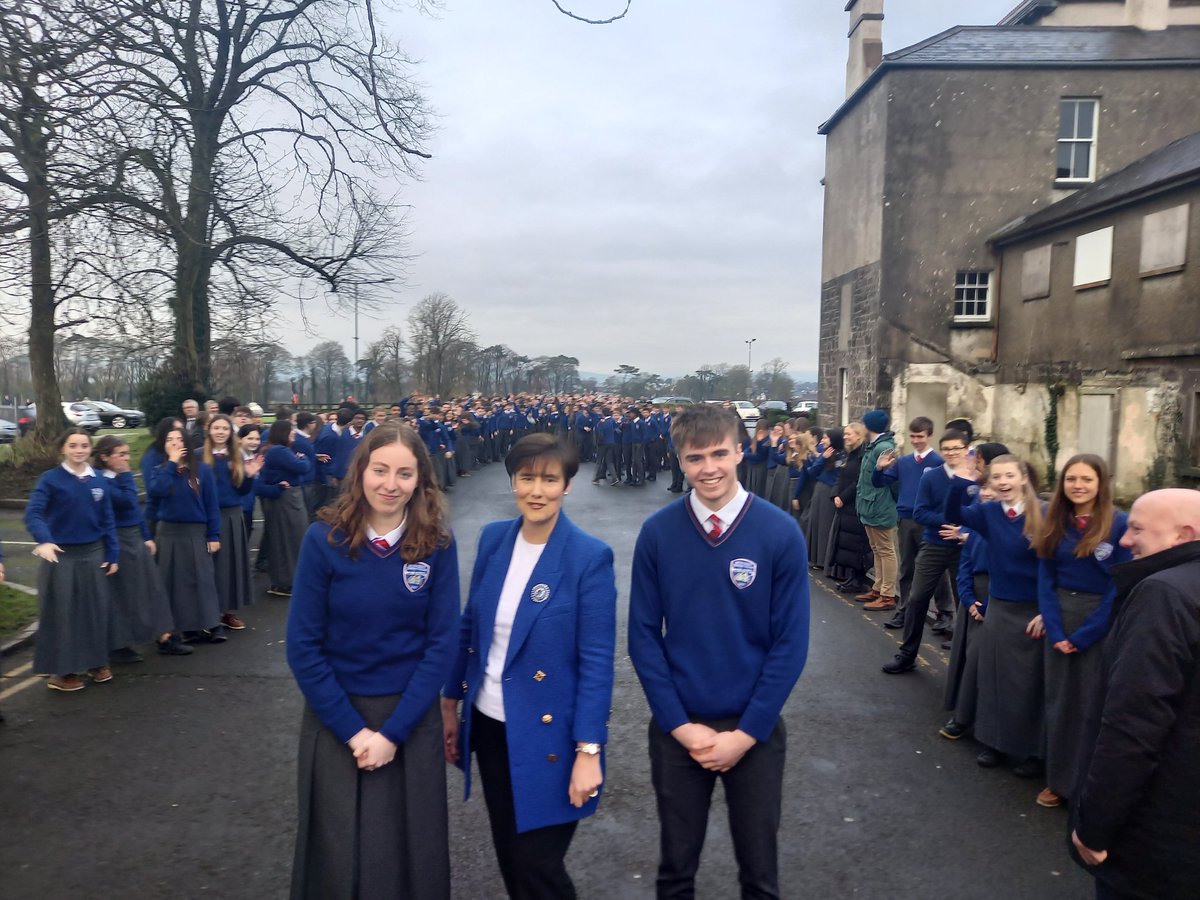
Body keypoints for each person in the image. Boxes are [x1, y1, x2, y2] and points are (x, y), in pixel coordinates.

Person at [628, 404, 810, 899]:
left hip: (754, 731)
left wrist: (746, 733)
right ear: (680, 460)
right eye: (694, 457)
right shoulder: (658, 533)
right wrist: (680, 725)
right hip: (679, 730)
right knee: (675, 869)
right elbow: (643, 636)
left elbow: (791, 643)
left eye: (718, 453)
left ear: (740, 451)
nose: (708, 467)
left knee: (759, 873)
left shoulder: (779, 532)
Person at [287, 424, 460, 900]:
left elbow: (441, 645)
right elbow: (303, 646)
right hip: (336, 718)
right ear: (359, 470)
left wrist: (393, 733)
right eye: (379, 469)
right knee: (336, 855)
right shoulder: (324, 540)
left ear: (420, 480)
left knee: (409, 854)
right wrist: (354, 731)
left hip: (409, 719)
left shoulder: (438, 544)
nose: (390, 483)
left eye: (404, 473)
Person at [442, 434, 617, 899]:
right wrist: (449, 704)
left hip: (551, 736)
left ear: (567, 486)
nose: (536, 490)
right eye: (526, 478)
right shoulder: (493, 539)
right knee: (512, 861)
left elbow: (597, 663)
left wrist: (589, 752)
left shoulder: (588, 557)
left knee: (538, 866)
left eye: (549, 479)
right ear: (513, 481)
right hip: (492, 726)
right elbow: (470, 627)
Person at [1069, 488, 1200, 900]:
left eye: (1138, 529)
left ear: (1184, 534)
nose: (1125, 540)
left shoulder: (1163, 594)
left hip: (1155, 834)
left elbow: (1133, 725)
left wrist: (1094, 826)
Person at [1033, 455, 1129, 809]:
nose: (1078, 486)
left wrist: (1084, 635)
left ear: (1101, 483)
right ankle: (1057, 780)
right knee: (1059, 701)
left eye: (1086, 479)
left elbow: (1119, 588)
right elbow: (1045, 577)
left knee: (1091, 704)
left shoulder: (1119, 525)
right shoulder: (1053, 519)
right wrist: (1056, 627)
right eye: (1071, 478)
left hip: (1098, 621)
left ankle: (1088, 784)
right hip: (1059, 614)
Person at [946, 454, 1046, 776]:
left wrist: (1047, 610)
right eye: (997, 477)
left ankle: (1032, 751)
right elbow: (950, 514)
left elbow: (1054, 565)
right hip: (1000, 605)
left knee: (1032, 682)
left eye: (1009, 476)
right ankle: (994, 742)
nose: (1003, 483)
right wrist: (960, 480)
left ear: (1024, 478)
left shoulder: (1043, 512)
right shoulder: (988, 513)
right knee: (995, 678)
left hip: (1034, 609)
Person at [25, 429, 120, 691]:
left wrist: (112, 553)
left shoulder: (98, 478)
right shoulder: (50, 480)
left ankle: (96, 662)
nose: (79, 450)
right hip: (61, 556)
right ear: (63, 449)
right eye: (73, 445)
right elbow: (34, 513)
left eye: (84, 445)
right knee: (63, 614)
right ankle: (61, 672)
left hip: (93, 554)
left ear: (90, 449)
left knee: (94, 610)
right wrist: (44, 540)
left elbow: (107, 520)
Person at [880, 429, 973, 672]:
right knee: (917, 598)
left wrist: (961, 528)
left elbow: (981, 513)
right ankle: (907, 654)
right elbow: (920, 512)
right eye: (948, 449)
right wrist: (950, 521)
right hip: (934, 545)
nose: (952, 453)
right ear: (942, 451)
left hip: (963, 547)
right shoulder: (931, 477)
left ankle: (965, 655)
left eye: (957, 448)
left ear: (966, 450)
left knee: (966, 601)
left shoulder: (976, 480)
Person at [91, 435, 190, 660]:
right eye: (121, 454)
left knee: (150, 589)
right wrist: (126, 475)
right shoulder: (101, 480)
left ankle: (163, 636)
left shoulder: (117, 477)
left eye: (128, 453)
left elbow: (134, 509)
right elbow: (126, 500)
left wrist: (146, 536)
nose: (127, 459)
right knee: (125, 593)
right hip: (116, 540)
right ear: (105, 457)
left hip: (134, 536)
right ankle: (118, 645)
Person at [146, 422, 224, 643]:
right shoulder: (159, 471)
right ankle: (179, 627)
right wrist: (171, 463)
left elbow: (211, 504)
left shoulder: (203, 470)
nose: (175, 444)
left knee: (202, 578)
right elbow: (157, 491)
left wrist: (214, 535)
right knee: (173, 582)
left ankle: (210, 623)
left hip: (196, 531)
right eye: (170, 440)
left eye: (180, 440)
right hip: (168, 533)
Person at [872, 416, 953, 629]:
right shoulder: (903, 462)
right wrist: (879, 469)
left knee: (936, 568)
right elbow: (880, 483)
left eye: (921, 436)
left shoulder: (938, 463)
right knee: (907, 567)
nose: (916, 440)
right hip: (907, 520)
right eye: (913, 436)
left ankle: (945, 612)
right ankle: (905, 609)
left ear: (929, 436)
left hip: (930, 523)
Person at [205, 414, 262, 630]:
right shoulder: (201, 456)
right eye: (216, 428)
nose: (220, 432)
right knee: (209, 567)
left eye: (225, 429)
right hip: (208, 517)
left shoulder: (236, 455)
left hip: (232, 515)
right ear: (209, 430)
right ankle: (208, 612)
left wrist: (249, 477)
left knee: (228, 566)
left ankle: (226, 611)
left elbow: (241, 490)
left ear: (231, 433)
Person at [258, 419, 312, 597]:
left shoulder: (277, 451)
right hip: (286, 500)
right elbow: (302, 467)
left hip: (287, 499)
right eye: (291, 432)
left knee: (289, 539)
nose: (294, 435)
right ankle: (285, 582)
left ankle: (287, 580)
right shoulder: (279, 451)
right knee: (288, 539)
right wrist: (302, 458)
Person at [856, 409, 899, 611]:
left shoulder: (883, 448)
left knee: (886, 550)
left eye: (864, 424)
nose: (861, 427)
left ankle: (888, 595)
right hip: (870, 505)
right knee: (877, 549)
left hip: (880, 506)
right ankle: (878, 588)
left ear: (869, 426)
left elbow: (891, 481)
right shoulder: (873, 446)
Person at [827, 423, 871, 594]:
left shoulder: (863, 455)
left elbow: (858, 481)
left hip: (855, 504)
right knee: (847, 542)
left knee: (857, 543)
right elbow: (840, 476)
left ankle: (859, 579)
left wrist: (843, 497)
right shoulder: (849, 454)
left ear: (859, 435)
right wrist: (835, 494)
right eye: (845, 434)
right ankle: (852, 577)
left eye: (849, 434)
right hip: (845, 505)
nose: (845, 437)